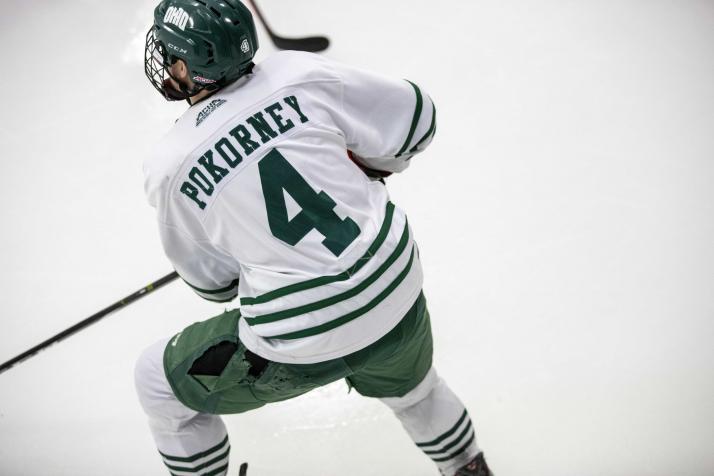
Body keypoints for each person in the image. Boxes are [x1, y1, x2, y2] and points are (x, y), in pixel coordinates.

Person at [135, 1, 493, 475]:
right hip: (395, 285)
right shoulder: (295, 72)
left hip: (300, 336)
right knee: (417, 392)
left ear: (187, 65)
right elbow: (417, 120)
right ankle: (468, 468)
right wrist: (367, 166)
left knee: (156, 381)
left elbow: (215, 286)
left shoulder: (170, 166)